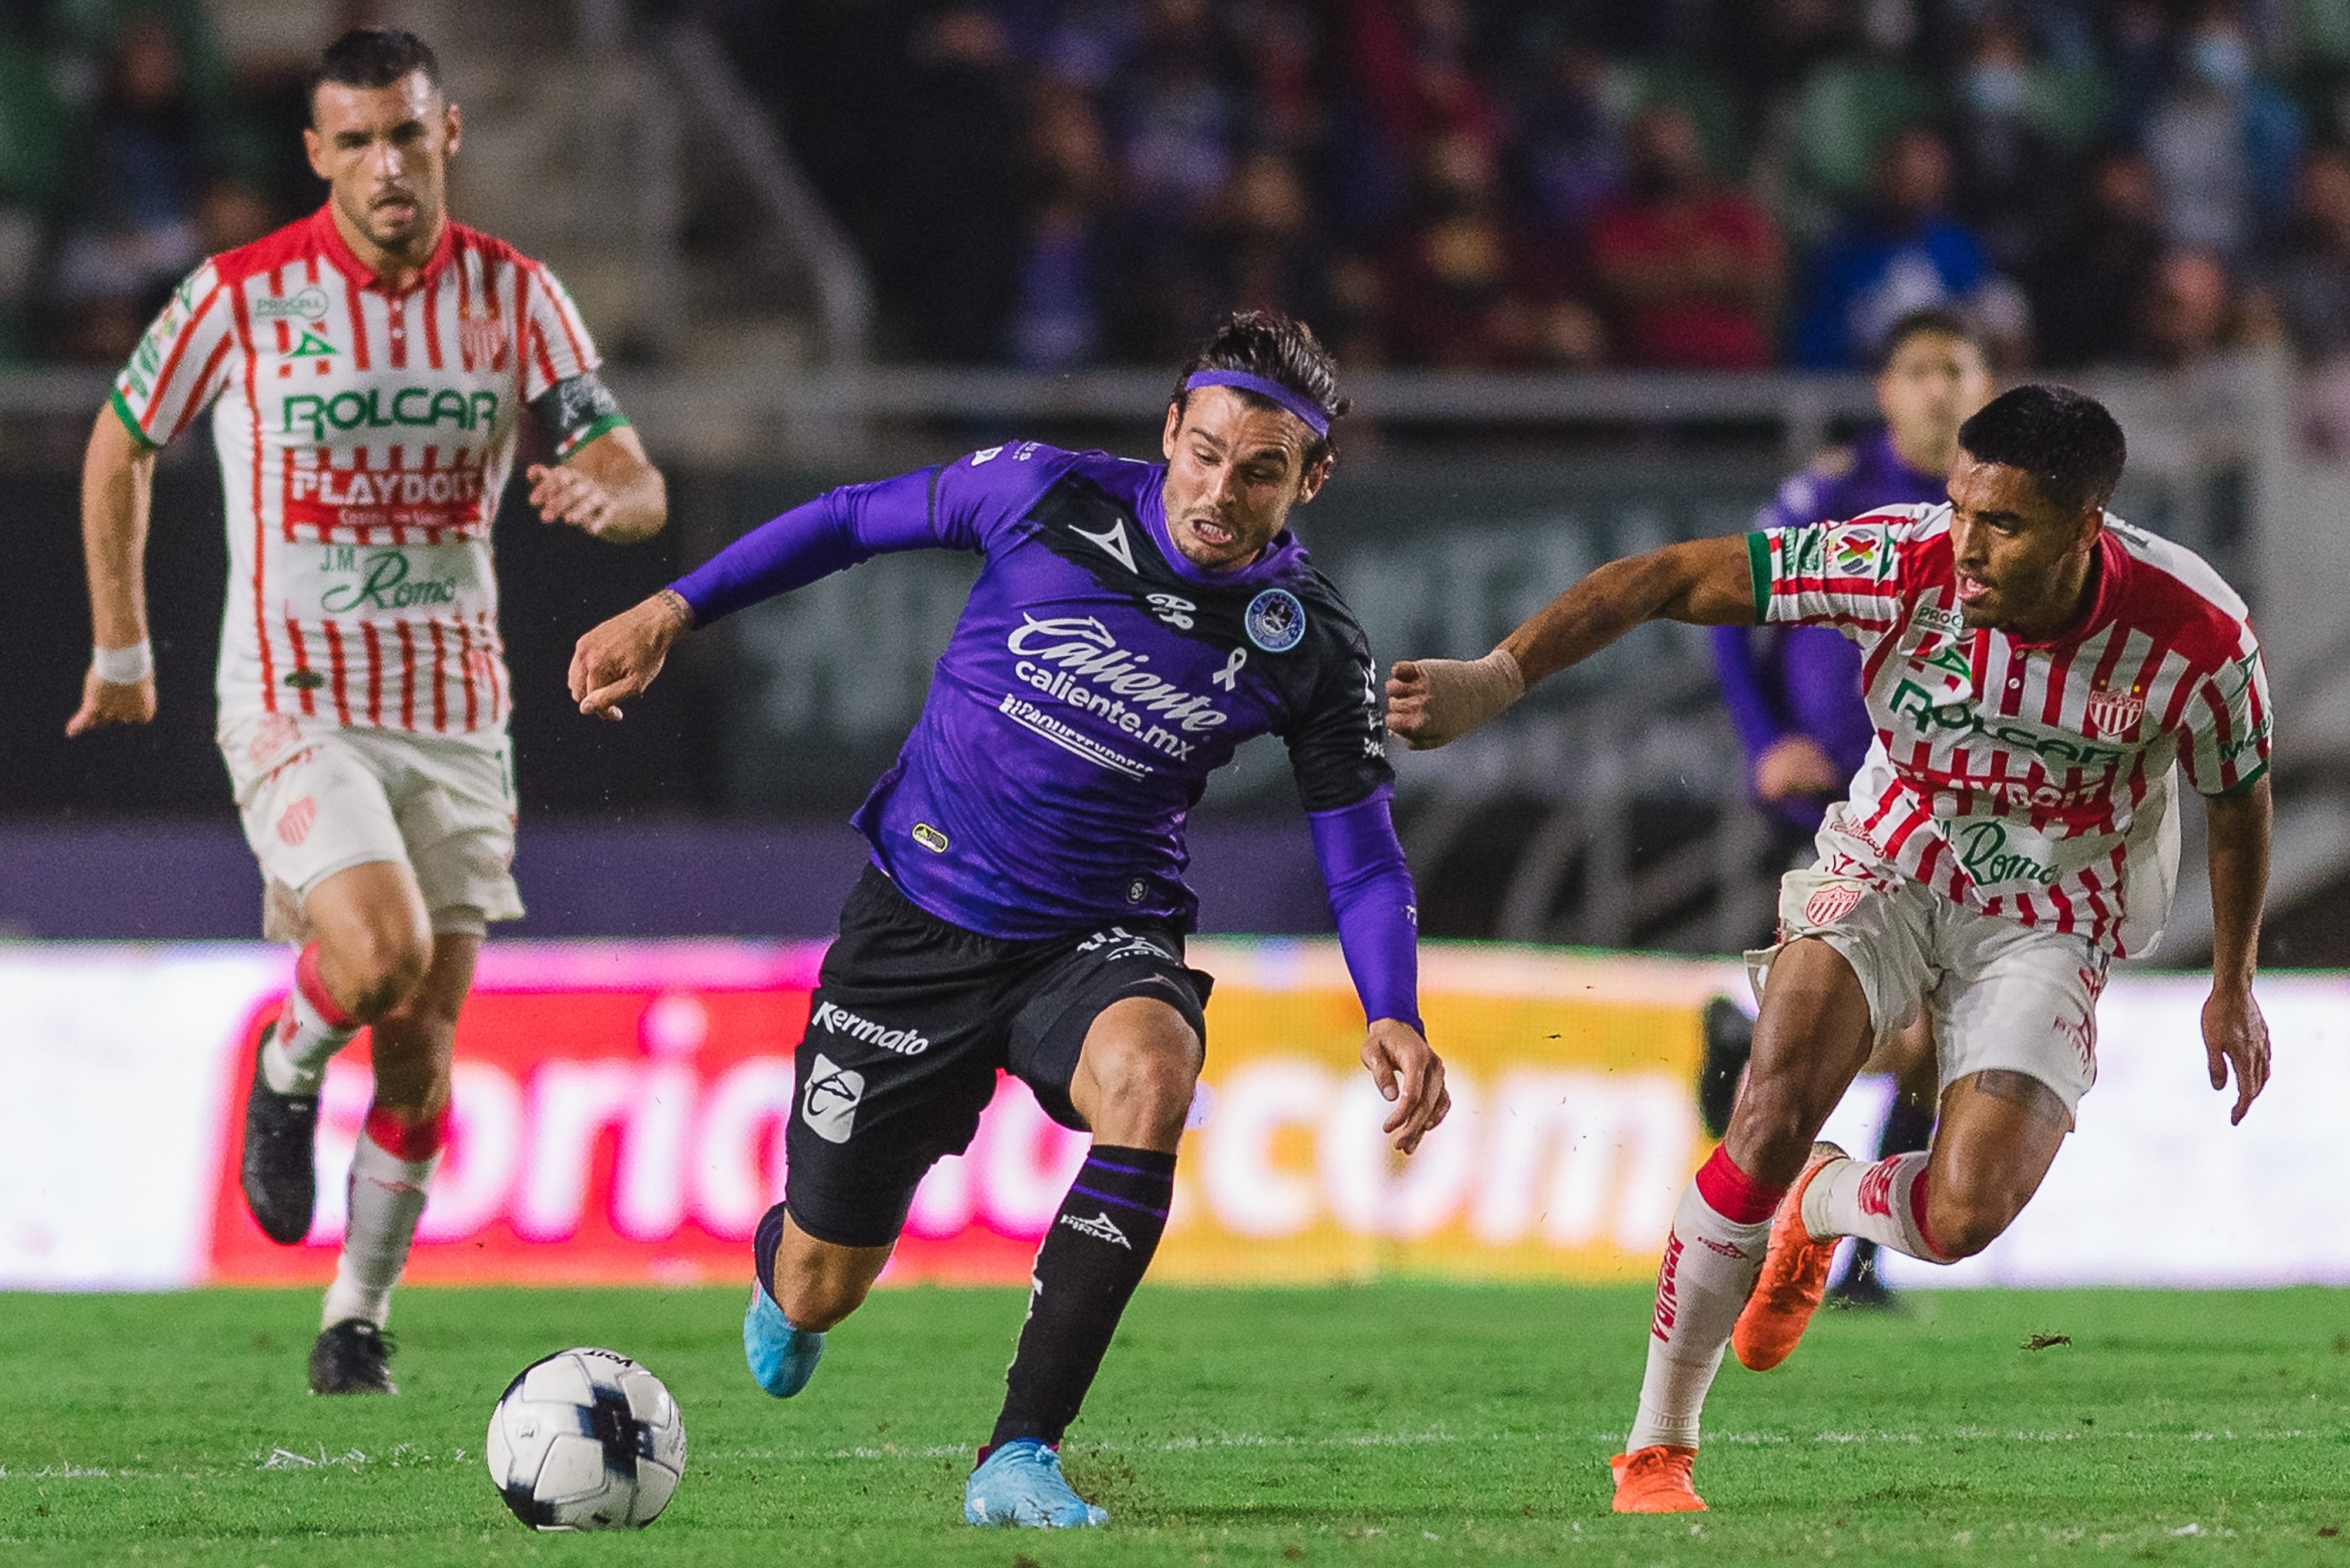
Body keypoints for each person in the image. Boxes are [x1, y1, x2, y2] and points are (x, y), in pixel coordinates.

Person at [568, 311, 1449, 1530]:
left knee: (1153, 1072)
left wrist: (1392, 1010)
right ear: (1168, 434)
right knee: (822, 1285)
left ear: (1311, 476)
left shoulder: (1306, 647)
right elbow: (844, 523)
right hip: (915, 928)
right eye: (1202, 454)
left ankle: (1018, 1453)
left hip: (1096, 938)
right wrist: (672, 609)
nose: (1218, 492)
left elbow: (1357, 857)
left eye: (1259, 471)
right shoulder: (1041, 495)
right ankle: (790, 1267)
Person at [1388, 384, 2272, 1514]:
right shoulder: (1896, 557)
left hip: (2054, 909)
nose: (1966, 545)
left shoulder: (2199, 632)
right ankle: (1658, 1450)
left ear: (2086, 528)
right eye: (1958, 508)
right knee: (1763, 1114)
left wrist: (2233, 981)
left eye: (2002, 525)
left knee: (1962, 1217)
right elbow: (1667, 578)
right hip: (1891, 857)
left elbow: (2238, 799)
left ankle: (1831, 1202)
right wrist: (1495, 677)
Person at [66, 28, 668, 1394]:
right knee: (379, 950)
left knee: (421, 1050)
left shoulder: (517, 298)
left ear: (446, 134)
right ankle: (285, 1063)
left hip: (457, 710)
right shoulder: (241, 294)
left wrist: (610, 499)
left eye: (406, 135)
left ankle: (355, 1319)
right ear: (317, 155)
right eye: (355, 142)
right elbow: (120, 440)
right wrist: (120, 645)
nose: (385, 166)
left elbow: (632, 474)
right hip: (295, 695)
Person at [1700, 309, 1995, 1306]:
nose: (1938, 389)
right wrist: (1762, 743)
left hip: (1954, 810)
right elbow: (1731, 608)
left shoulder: (2000, 506)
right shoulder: (1833, 490)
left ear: (1985, 387)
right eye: (1918, 370)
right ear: (1886, 391)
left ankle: (1851, 1244)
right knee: (1915, 1031)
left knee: (1935, 1041)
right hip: (1841, 799)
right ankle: (1847, 1244)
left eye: (1956, 369)